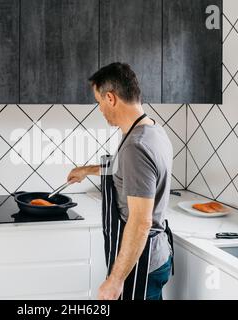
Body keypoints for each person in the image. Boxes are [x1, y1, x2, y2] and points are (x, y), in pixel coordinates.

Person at [67, 62, 174, 300]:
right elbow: (129, 172)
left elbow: (140, 222)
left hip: (142, 263)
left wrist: (115, 280)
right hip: (153, 256)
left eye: (99, 102)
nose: (100, 109)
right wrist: (88, 170)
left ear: (111, 98)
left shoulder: (136, 146)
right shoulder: (152, 130)